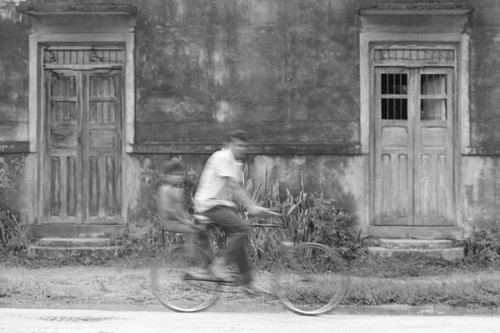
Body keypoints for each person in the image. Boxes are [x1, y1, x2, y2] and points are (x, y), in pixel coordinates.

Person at [194, 130, 268, 293]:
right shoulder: (222, 157)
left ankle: (247, 284)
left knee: (239, 238)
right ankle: (218, 265)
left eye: (244, 146)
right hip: (208, 205)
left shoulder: (236, 163)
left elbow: (235, 190)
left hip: (222, 206)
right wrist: (251, 205)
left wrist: (252, 207)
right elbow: (233, 185)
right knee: (242, 228)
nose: (241, 149)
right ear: (230, 144)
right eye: (238, 145)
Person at [156, 157, 205, 277]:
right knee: (192, 231)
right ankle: (190, 267)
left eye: (180, 175)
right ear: (166, 176)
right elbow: (170, 210)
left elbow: (180, 209)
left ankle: (206, 262)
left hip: (178, 220)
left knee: (201, 229)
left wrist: (190, 219)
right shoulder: (165, 190)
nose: (177, 177)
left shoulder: (178, 190)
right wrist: (187, 222)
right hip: (169, 222)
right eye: (174, 175)